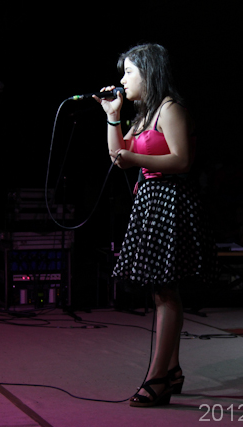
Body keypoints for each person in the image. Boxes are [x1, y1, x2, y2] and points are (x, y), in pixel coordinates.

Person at [94, 43, 216, 407]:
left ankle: (158, 377)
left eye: (129, 72)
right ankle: (172, 370)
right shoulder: (144, 115)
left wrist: (135, 158)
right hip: (150, 201)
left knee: (165, 289)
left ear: (149, 73)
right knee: (161, 289)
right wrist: (113, 116)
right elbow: (118, 156)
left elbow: (181, 161)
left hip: (171, 201)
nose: (122, 80)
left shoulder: (170, 109)